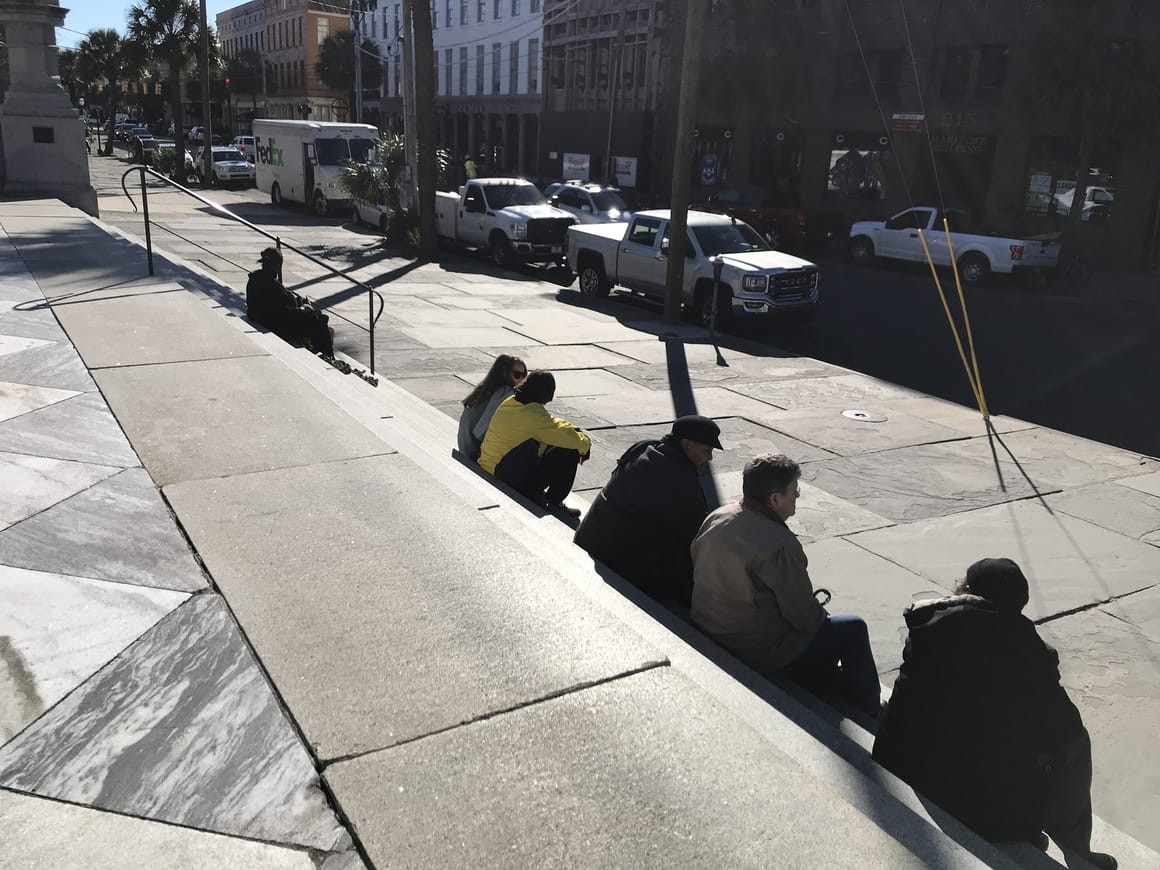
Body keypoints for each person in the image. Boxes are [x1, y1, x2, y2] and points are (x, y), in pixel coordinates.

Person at [872, 558, 1116, 869]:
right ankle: (1077, 849)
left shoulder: (929, 625)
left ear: (969, 590)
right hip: (986, 811)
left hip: (906, 771)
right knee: (1075, 744)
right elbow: (1066, 731)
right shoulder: (1029, 650)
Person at [690, 453, 881, 717]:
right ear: (775, 499)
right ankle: (869, 708)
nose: (798, 496)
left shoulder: (719, 516)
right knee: (852, 628)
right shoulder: (780, 545)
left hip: (708, 623)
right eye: (794, 491)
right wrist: (819, 615)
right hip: (751, 647)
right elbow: (803, 618)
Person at [573, 415, 721, 608]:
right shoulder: (681, 481)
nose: (709, 458)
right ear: (686, 445)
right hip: (617, 561)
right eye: (706, 450)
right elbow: (699, 536)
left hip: (590, 538)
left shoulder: (645, 448)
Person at [478, 370, 590, 518]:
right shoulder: (534, 417)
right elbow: (569, 438)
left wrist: (573, 429)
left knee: (554, 439)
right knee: (570, 451)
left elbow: (552, 423)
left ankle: (546, 496)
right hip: (508, 478)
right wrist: (585, 444)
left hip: (490, 465)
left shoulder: (512, 401)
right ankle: (555, 502)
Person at [246, 247, 334, 356]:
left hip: (263, 319)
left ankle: (318, 347)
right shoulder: (273, 285)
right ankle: (328, 355)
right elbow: (282, 312)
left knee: (315, 317)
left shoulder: (254, 279)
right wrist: (303, 309)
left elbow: (275, 305)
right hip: (279, 326)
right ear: (278, 266)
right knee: (318, 319)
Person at [456, 354, 527, 460]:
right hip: (474, 451)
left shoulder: (485, 388)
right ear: (504, 373)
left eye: (524, 374)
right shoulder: (504, 393)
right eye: (517, 374)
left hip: (464, 445)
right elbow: (480, 432)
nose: (521, 379)